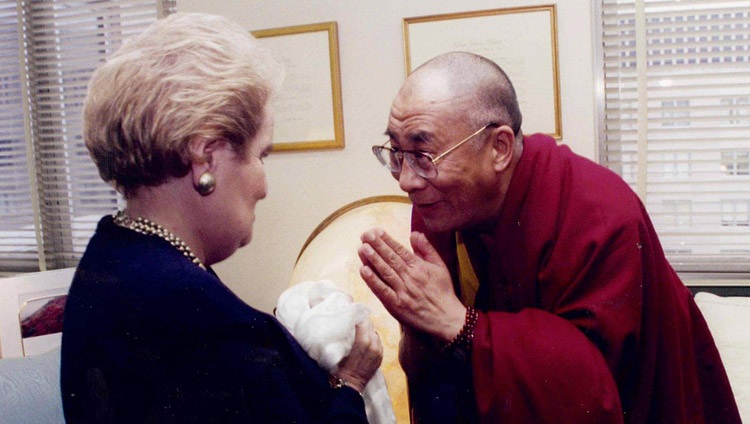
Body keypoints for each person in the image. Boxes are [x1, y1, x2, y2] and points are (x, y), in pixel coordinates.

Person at [358, 51, 741, 423]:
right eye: (396, 151)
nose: (406, 180)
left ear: (499, 149)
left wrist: (460, 324)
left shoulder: (600, 213)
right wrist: (416, 320)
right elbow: (437, 376)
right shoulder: (443, 209)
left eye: (424, 156)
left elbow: (598, 394)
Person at [61, 13, 382, 423]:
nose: (264, 186)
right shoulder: (187, 309)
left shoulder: (113, 256)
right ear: (204, 157)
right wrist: (350, 384)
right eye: (260, 155)